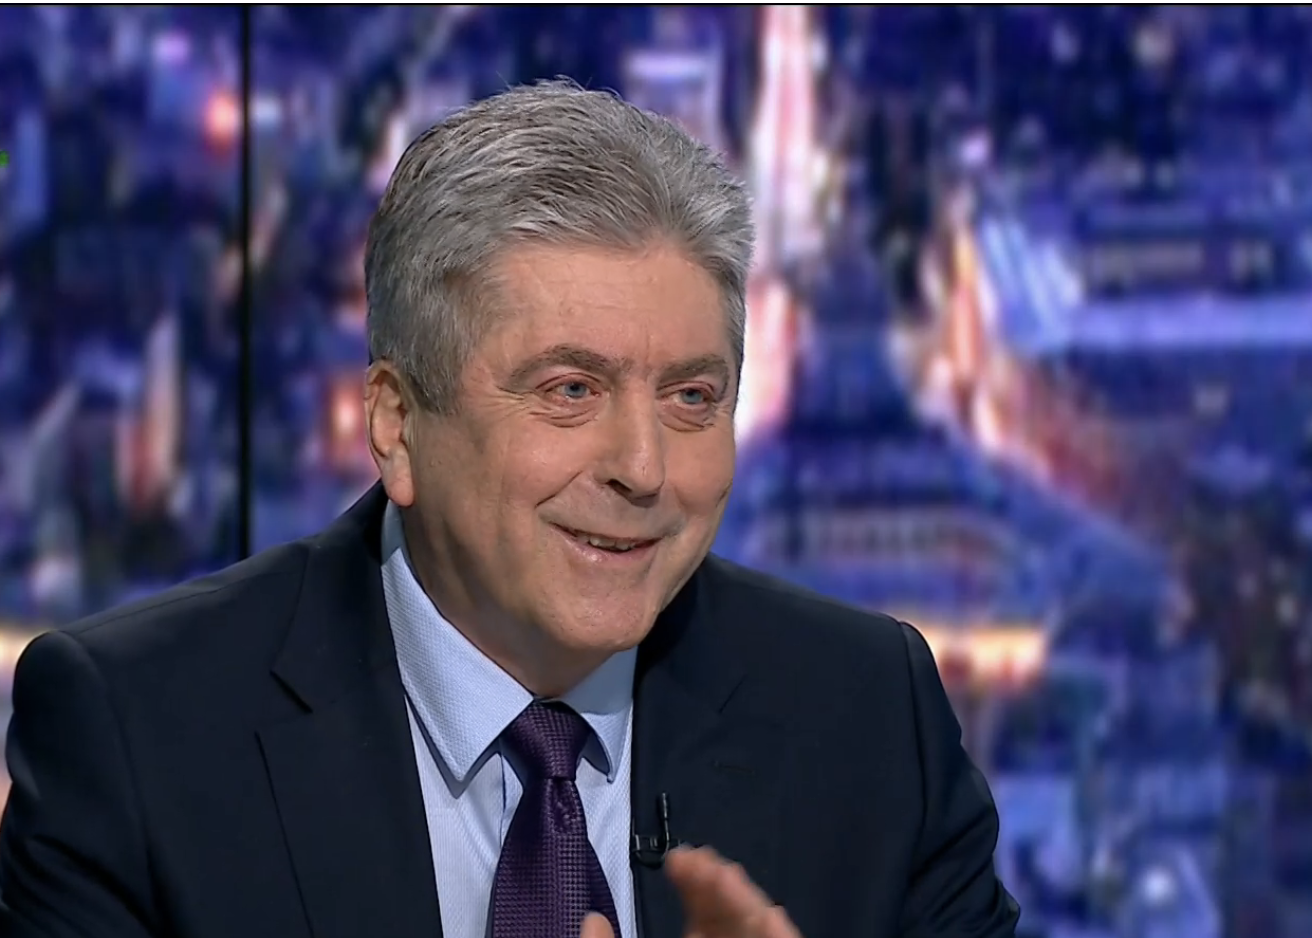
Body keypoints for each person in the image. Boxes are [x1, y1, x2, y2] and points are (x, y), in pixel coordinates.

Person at [0, 80, 1021, 938]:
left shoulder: (870, 720)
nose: (643, 467)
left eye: (691, 397)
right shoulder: (136, 741)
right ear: (398, 424)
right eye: (570, 390)